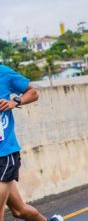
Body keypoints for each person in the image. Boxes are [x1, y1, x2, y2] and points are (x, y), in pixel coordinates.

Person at [0, 65, 63, 221]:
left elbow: (33, 92)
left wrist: (15, 102)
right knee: (19, 211)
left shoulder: (3, 73)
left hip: (4, 155)